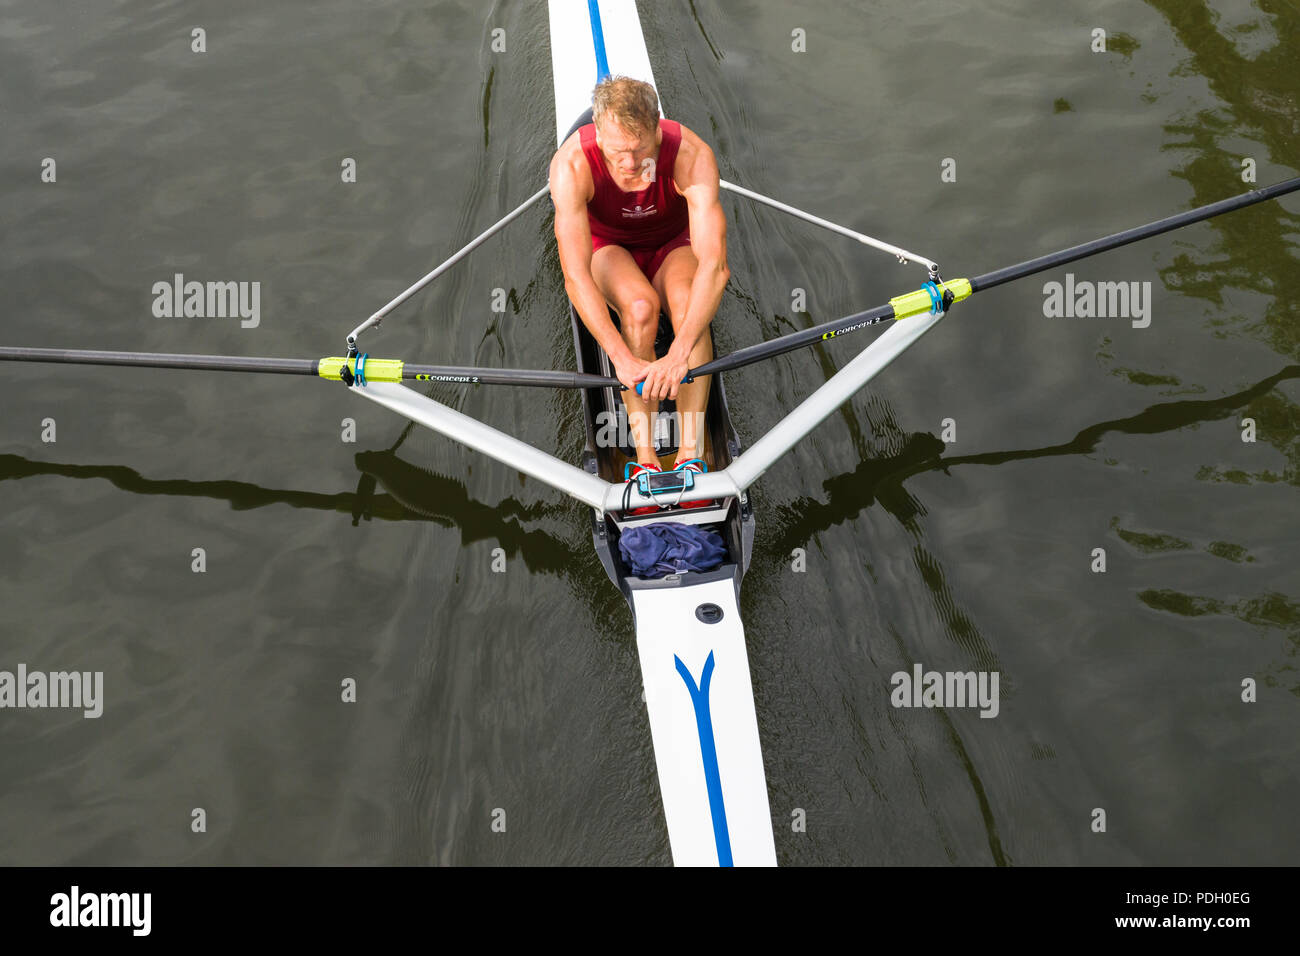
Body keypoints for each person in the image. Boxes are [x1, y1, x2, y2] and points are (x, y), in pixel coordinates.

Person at [549, 75, 729, 509]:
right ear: (596, 128)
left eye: (640, 150)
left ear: (657, 129)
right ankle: (645, 458)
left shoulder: (691, 156)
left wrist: (680, 351)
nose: (629, 164)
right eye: (616, 151)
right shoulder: (572, 165)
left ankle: (691, 456)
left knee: (688, 309)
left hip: (673, 245)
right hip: (607, 247)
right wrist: (622, 358)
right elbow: (575, 277)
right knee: (641, 308)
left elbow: (715, 268)